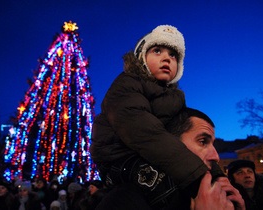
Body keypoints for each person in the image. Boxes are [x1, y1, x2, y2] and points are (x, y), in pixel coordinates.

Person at [90, 25, 222, 206]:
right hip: (119, 157)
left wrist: (218, 179)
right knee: (165, 191)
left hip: (151, 154)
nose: (166, 58)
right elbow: (143, 132)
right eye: (157, 51)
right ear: (141, 57)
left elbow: (180, 140)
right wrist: (197, 178)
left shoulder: (175, 98)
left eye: (173, 55)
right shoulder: (127, 84)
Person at [95, 108, 245, 210]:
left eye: (213, 143)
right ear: (169, 145)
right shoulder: (123, 201)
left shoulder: (209, 194)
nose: (216, 156)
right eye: (202, 142)